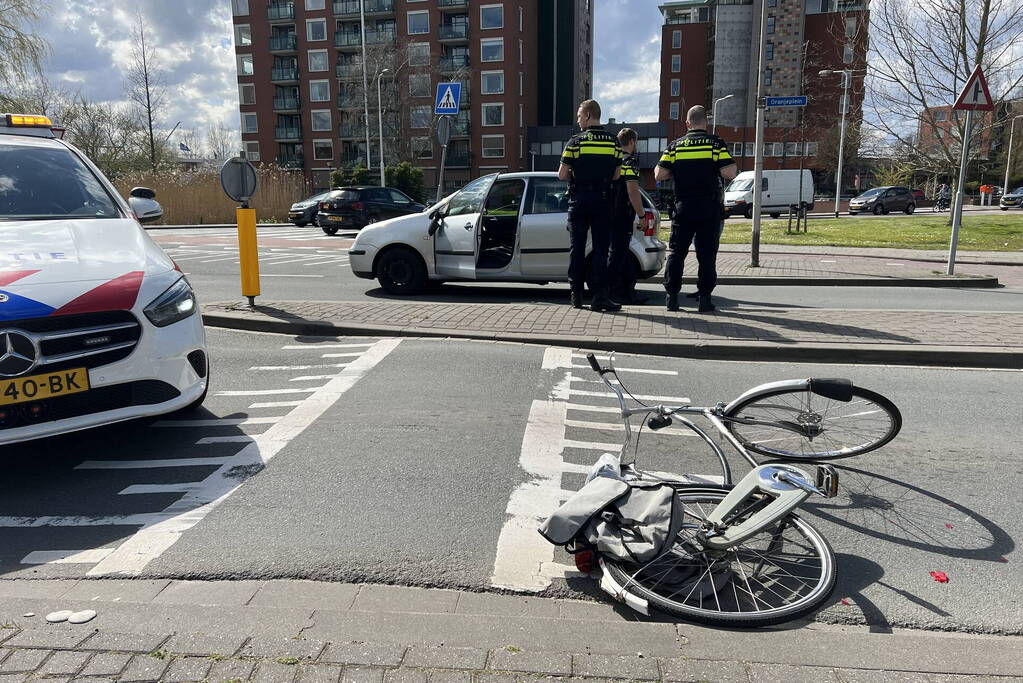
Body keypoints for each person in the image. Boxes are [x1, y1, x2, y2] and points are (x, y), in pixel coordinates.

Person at [654, 105, 737, 312]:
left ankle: (672, 298)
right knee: (707, 255)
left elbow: (659, 174)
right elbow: (730, 172)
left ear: (687, 124)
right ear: (706, 123)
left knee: (677, 253)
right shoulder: (715, 144)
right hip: (708, 208)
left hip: (683, 207)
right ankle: (705, 299)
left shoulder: (675, 146)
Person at [559, 99, 623, 312]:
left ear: (587, 115)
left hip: (578, 201)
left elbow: (562, 174)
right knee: (601, 250)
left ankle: (576, 295)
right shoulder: (614, 142)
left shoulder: (575, 142)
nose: (578, 121)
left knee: (576, 248)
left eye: (579, 116)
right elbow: (616, 175)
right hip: (603, 200)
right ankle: (599, 297)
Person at [607, 127, 652, 304]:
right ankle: (614, 293)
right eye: (636, 143)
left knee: (622, 254)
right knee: (618, 255)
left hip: (609, 213)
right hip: (623, 215)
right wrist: (641, 216)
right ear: (632, 141)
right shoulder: (630, 162)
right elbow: (633, 191)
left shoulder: (612, 160)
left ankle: (627, 291)